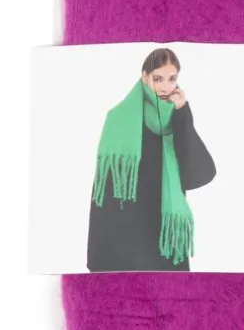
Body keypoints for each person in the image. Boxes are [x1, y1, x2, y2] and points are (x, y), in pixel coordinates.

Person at [87, 48, 216, 272]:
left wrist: (183, 113)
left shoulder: (177, 117)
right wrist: (99, 251)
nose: (166, 87)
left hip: (165, 232)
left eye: (172, 79)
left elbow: (198, 174)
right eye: (158, 79)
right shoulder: (118, 118)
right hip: (128, 231)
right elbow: (103, 193)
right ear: (144, 76)